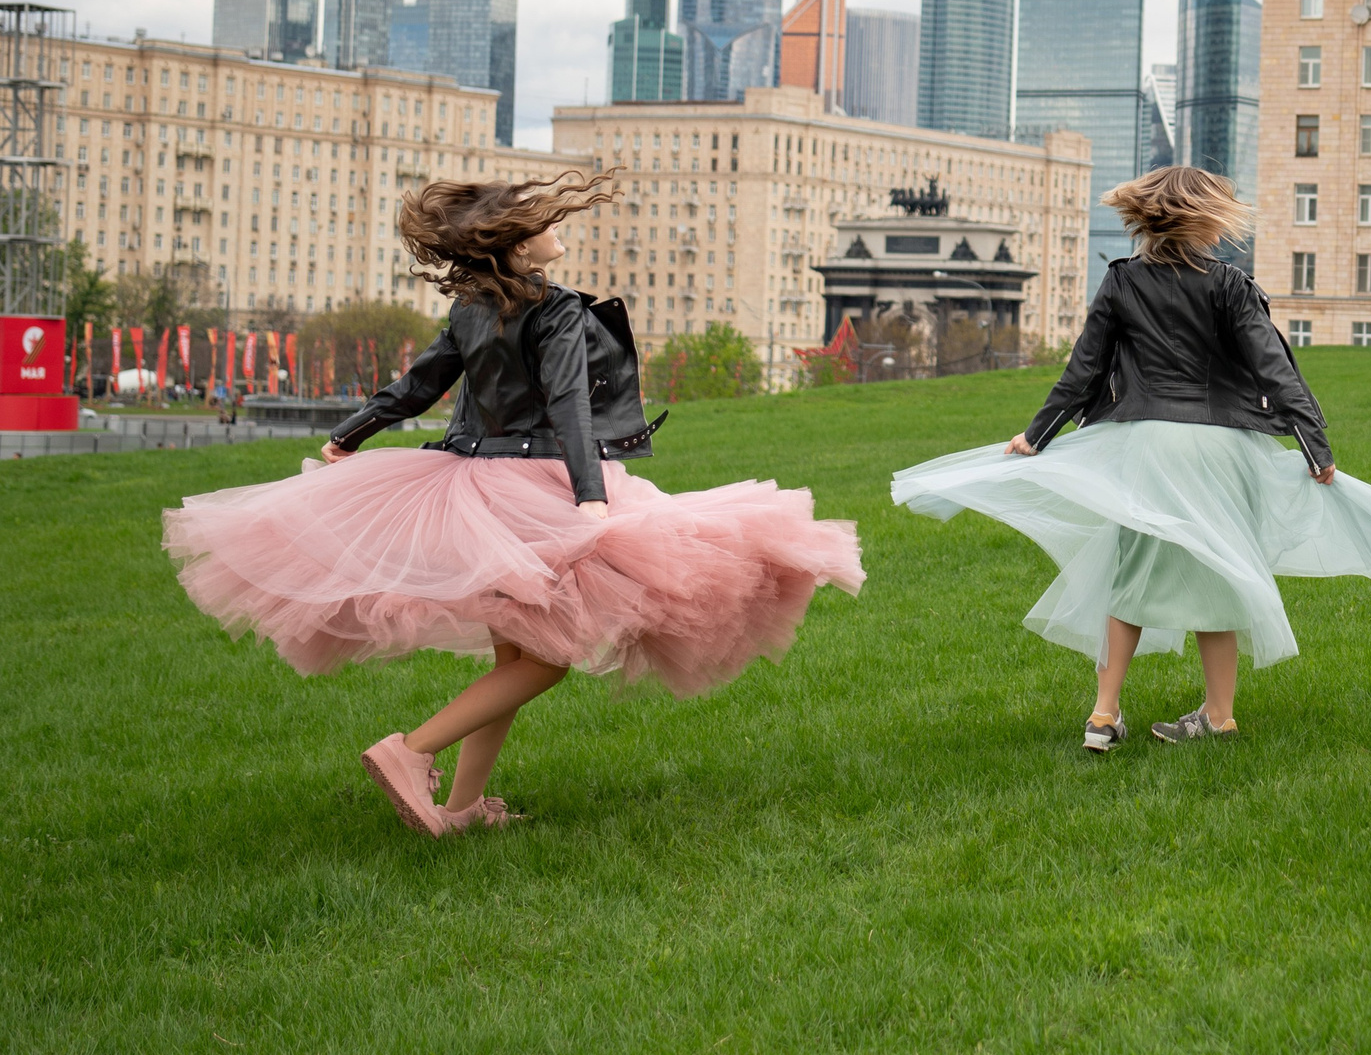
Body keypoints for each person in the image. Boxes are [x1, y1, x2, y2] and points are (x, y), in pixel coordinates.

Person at [162, 170, 863, 837]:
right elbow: (567, 407)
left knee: (516, 658)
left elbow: (416, 386)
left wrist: (350, 435)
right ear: (519, 243)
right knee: (545, 660)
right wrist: (591, 497)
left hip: (471, 480)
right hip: (534, 484)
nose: (557, 228)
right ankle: (410, 750)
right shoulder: (553, 309)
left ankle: (464, 807)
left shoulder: (472, 309)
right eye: (544, 222)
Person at [893, 165, 1371, 751]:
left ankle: (1103, 715)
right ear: (1207, 219)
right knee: (1221, 572)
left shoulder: (1122, 282)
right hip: (1221, 447)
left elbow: (1082, 371)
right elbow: (1276, 370)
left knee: (1131, 577)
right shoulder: (1230, 285)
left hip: (1145, 445)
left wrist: (1036, 436)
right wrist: (1314, 446)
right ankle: (1219, 717)